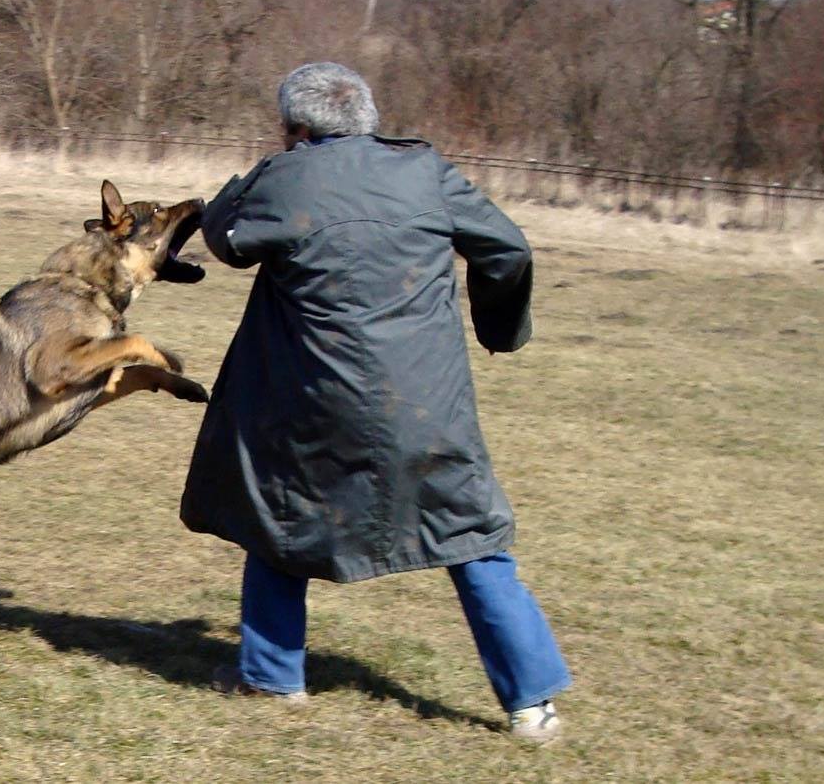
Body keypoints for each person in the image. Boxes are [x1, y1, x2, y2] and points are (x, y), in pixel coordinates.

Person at [180, 62, 571, 744]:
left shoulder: (286, 177)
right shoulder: (426, 172)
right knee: (472, 535)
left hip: (310, 400)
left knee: (278, 513)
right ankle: (531, 702)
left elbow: (225, 240)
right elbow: (506, 247)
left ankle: (273, 676)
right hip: (428, 405)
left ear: (297, 129)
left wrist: (248, 179)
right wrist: (499, 328)